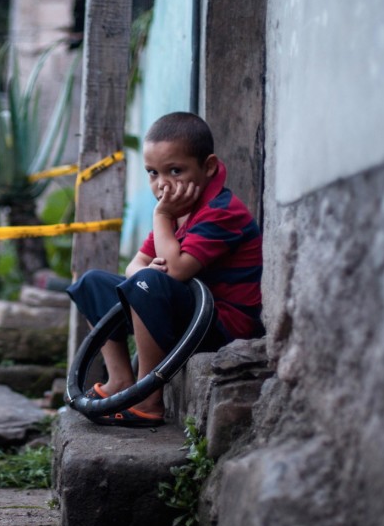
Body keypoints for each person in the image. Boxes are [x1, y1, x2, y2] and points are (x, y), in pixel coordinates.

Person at [67, 112, 263, 427]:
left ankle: (148, 397)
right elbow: (136, 264)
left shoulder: (221, 212)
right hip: (181, 311)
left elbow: (175, 272)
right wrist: (147, 272)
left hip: (221, 327)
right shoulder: (177, 210)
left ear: (208, 167)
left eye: (175, 170)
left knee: (149, 281)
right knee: (94, 282)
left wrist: (160, 225)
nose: (162, 184)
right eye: (153, 173)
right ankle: (119, 380)